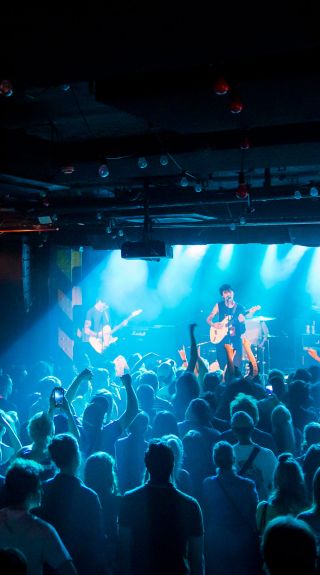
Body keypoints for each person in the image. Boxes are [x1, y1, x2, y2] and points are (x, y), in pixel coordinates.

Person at [118, 440, 204, 575]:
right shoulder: (190, 505)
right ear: (172, 465)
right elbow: (197, 559)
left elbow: (123, 551)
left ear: (147, 465)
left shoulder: (130, 500)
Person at [0, 458, 77, 575]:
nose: (42, 490)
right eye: (39, 485)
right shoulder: (42, 530)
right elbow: (69, 571)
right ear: (30, 493)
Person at [206, 284, 247, 372]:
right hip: (221, 341)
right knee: (222, 367)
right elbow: (208, 319)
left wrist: (242, 322)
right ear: (222, 295)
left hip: (235, 340)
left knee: (237, 368)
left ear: (233, 293)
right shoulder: (219, 305)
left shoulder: (240, 308)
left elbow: (243, 330)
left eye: (230, 291)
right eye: (225, 292)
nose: (228, 294)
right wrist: (214, 325)